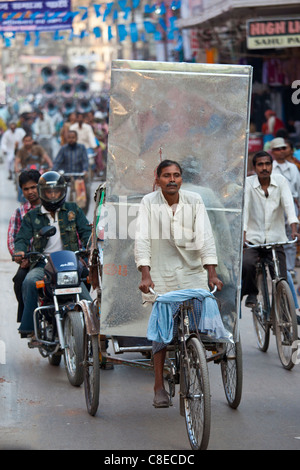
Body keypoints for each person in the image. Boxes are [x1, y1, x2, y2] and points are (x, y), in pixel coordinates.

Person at [135, 160, 223, 408]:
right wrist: (145, 273)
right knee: (163, 331)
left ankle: (192, 361)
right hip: (160, 271)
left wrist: (211, 273)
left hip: (192, 270)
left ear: (182, 179)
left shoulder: (194, 200)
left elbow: (206, 236)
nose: (171, 179)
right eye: (166, 175)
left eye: (176, 175)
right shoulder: (148, 202)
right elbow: (142, 238)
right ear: (158, 179)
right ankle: (158, 386)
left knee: (193, 325)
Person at [13, 171, 92, 338]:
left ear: (62, 191)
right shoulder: (31, 216)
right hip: (44, 263)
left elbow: (86, 232)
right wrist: (20, 251)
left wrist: (90, 246)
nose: (53, 195)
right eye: (49, 192)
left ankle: (98, 340)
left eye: (56, 191)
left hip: (70, 262)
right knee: (29, 281)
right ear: (43, 193)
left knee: (87, 299)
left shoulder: (73, 210)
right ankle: (30, 328)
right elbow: (21, 238)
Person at [242, 151, 300, 307]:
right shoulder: (248, 183)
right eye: (260, 164)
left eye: (267, 164)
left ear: (271, 166)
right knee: (247, 264)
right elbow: (245, 209)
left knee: (282, 278)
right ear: (254, 168)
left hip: (276, 239)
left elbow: (289, 205)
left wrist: (294, 229)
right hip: (254, 240)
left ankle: (285, 313)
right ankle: (252, 294)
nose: (264, 168)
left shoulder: (281, 181)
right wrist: (244, 234)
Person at [7, 170, 41, 322]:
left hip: (55, 258)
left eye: (34, 187)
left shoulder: (52, 207)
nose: (31, 192)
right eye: (26, 189)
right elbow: (12, 238)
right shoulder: (20, 212)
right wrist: (20, 257)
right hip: (30, 260)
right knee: (20, 281)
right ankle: (29, 323)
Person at [270, 137, 300, 282]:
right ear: (273, 151)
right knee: (275, 237)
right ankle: (276, 269)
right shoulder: (270, 167)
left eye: (283, 148)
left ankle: (289, 269)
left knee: (291, 236)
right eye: (277, 149)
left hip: (291, 205)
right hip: (274, 205)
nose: (281, 151)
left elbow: (298, 189)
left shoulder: (293, 167)